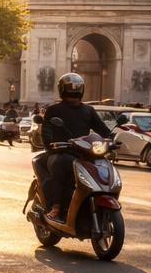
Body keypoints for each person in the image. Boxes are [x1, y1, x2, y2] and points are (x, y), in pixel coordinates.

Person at [39, 72, 112, 223]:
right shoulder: (54, 110)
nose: (74, 90)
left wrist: (112, 139)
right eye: (71, 87)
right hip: (60, 151)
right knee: (59, 164)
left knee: (102, 165)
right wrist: (50, 144)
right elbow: (46, 131)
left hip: (83, 153)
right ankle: (56, 206)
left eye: (76, 87)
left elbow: (103, 129)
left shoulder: (88, 110)